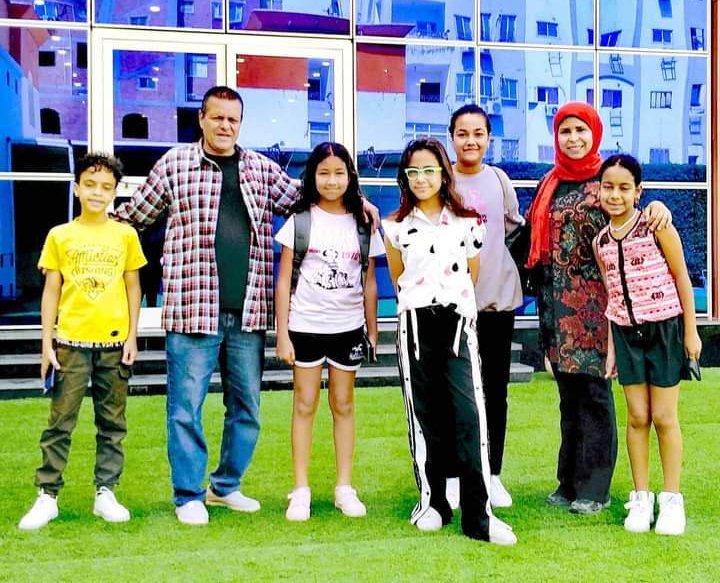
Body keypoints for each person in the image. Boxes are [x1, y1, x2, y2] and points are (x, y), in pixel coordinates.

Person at [114, 86, 378, 525]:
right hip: (192, 308)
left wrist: (361, 202)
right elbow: (135, 217)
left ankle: (225, 487)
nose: (225, 126)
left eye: (232, 119)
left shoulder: (259, 169)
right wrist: (91, 230)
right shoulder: (174, 165)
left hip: (249, 311)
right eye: (217, 117)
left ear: (240, 124)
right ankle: (188, 495)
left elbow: (313, 193)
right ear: (201, 118)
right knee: (186, 408)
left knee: (246, 408)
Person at [526, 102, 671, 515]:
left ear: (595, 133)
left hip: (596, 306)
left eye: (580, 130)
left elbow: (634, 213)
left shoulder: (604, 180)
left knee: (593, 393)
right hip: (556, 306)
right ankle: (568, 482)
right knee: (568, 396)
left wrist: (659, 207)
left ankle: (594, 488)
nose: (573, 138)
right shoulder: (551, 182)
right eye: (565, 131)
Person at [383, 137, 516, 545]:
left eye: (429, 170)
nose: (421, 179)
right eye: (413, 172)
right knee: (425, 415)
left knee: (470, 413)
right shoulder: (395, 227)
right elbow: (398, 276)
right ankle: (433, 502)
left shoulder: (468, 222)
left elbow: (471, 274)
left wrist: (454, 304)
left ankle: (478, 515)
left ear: (444, 173)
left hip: (457, 322)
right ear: (405, 177)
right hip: (415, 323)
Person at [19, 153, 146, 530]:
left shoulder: (125, 235)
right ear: (76, 188)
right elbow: (51, 291)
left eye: (106, 187)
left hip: (114, 345)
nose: (97, 192)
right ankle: (47, 495)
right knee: (60, 421)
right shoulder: (60, 235)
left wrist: (132, 336)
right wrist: (46, 342)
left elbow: (133, 287)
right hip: (70, 343)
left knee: (112, 423)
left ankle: (106, 492)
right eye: (89, 185)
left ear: (115, 192)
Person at [275, 142, 384, 522]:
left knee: (344, 404)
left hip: (347, 328)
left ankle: (344, 487)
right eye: (324, 173)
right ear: (313, 177)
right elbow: (283, 280)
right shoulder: (300, 221)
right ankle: (300, 489)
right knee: (304, 404)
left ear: (350, 177)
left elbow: (370, 282)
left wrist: (373, 330)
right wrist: (282, 334)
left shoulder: (364, 223)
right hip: (305, 326)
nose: (332, 181)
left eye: (339, 173)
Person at [593, 154, 700, 535]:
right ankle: (641, 498)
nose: (615, 195)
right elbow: (611, 295)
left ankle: (671, 499)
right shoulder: (601, 241)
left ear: (638, 192)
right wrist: (611, 348)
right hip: (626, 335)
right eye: (608, 187)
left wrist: (691, 331)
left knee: (664, 417)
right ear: (599, 191)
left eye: (624, 188)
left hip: (665, 329)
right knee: (637, 417)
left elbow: (682, 277)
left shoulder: (657, 225)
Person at [448, 104, 523, 509]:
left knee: (495, 392)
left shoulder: (499, 179)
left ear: (489, 139)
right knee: (454, 393)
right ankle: (456, 476)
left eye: (478, 133)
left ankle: (492, 475)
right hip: (451, 307)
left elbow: (512, 228)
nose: (470, 141)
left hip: (497, 304)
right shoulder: (442, 179)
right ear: (452, 137)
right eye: (463, 133)